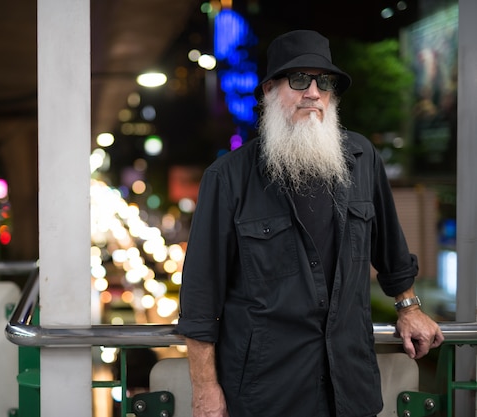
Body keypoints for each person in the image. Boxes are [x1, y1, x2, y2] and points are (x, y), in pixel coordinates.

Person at [175, 30, 444, 417]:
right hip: (267, 392)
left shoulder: (362, 157)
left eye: (324, 81)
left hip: (350, 386)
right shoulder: (228, 177)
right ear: (269, 90)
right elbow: (200, 297)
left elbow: (392, 251)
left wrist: (409, 307)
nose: (313, 92)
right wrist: (205, 388)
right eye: (299, 79)